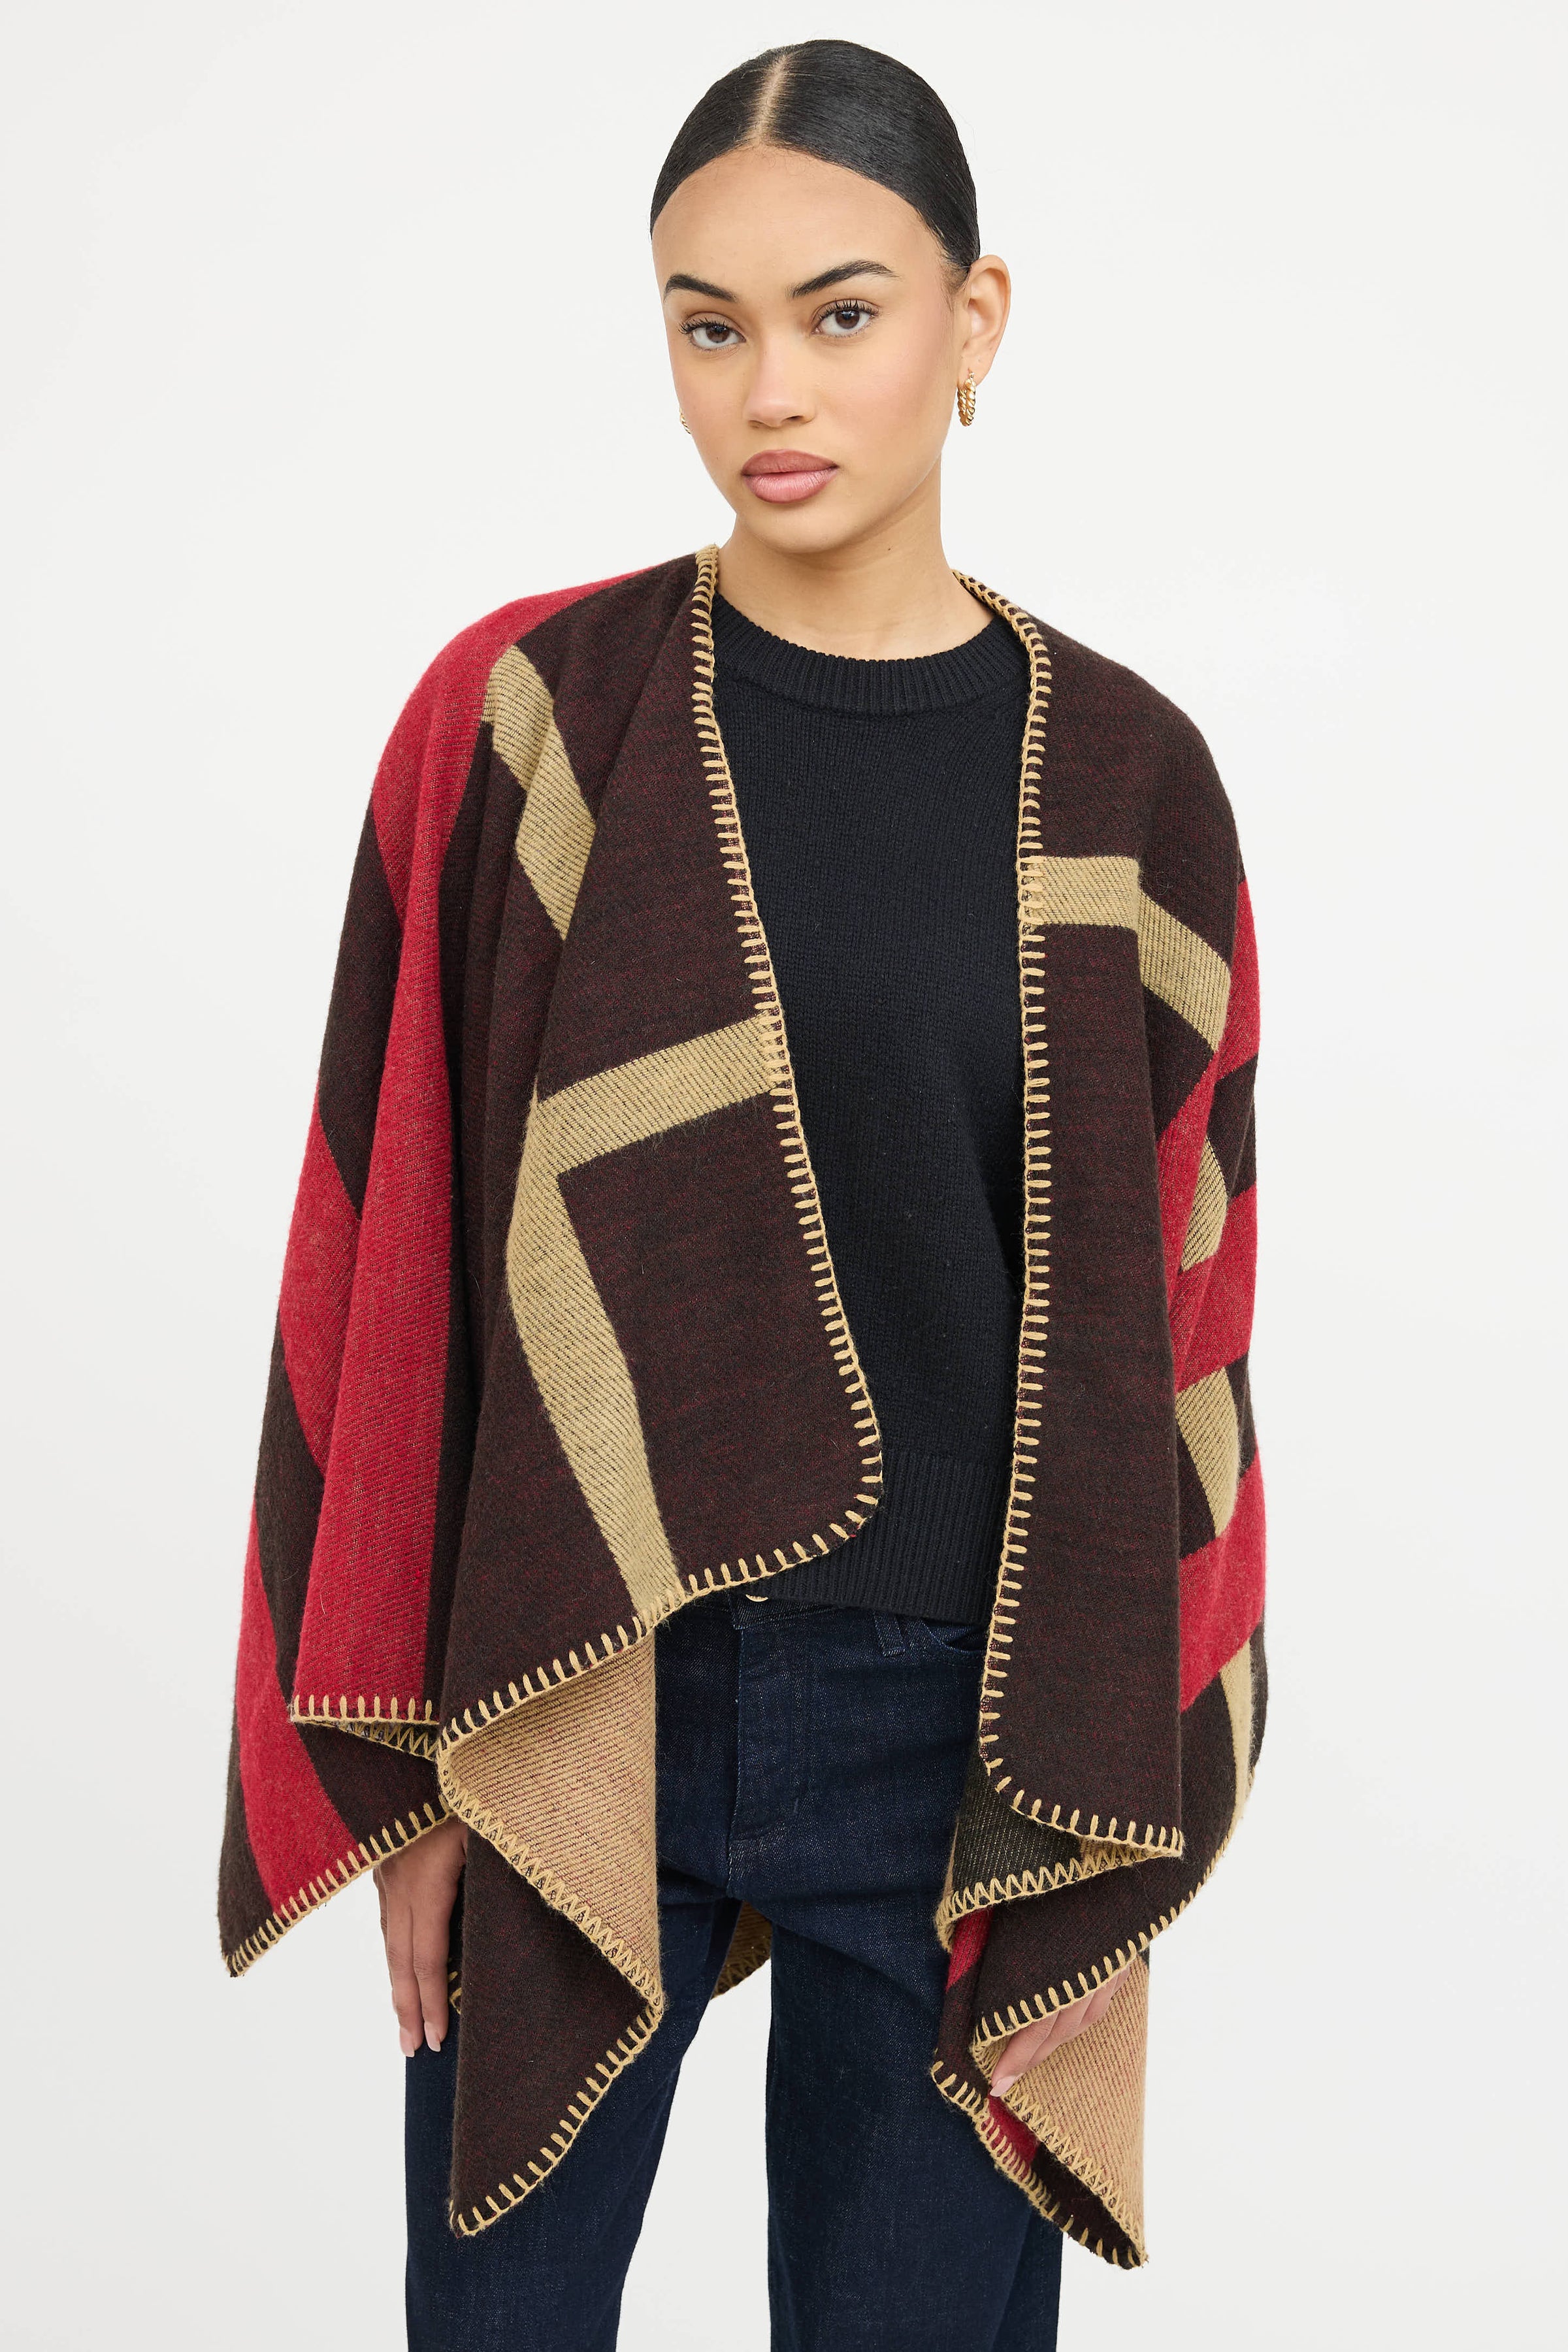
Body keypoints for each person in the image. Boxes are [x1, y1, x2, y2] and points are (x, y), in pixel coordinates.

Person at [219, 38, 1266, 2351]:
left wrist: (1105, 1787)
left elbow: (1182, 1336)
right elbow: (399, 1248)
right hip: (581, 1676)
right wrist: (414, 1759)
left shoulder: (1129, 782)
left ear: (976, 321)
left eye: (840, 313)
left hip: (967, 1736)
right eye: (709, 325)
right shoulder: (532, 719)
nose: (768, 390)